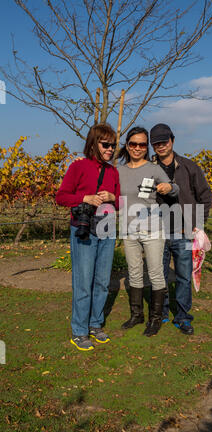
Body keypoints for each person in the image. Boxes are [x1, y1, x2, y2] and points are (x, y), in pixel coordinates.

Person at [56, 123, 120, 351]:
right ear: (94, 144)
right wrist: (85, 198)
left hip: (108, 227)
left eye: (113, 145)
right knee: (83, 281)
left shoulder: (113, 171)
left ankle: (95, 324)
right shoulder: (78, 167)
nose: (111, 149)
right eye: (106, 144)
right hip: (83, 228)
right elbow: (61, 196)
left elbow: (121, 202)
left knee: (102, 281)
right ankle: (80, 330)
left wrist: (113, 196)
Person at [150, 123, 212, 335]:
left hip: (184, 232)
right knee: (161, 274)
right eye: (156, 143)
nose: (160, 146)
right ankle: (163, 311)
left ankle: (183, 317)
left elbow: (205, 197)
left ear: (172, 140)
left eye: (164, 141)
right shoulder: (149, 169)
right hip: (158, 232)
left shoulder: (189, 167)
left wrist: (198, 224)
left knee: (184, 276)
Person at [117, 126, 179, 337]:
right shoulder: (119, 170)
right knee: (134, 272)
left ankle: (155, 318)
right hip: (129, 230)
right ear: (127, 145)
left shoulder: (153, 169)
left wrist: (168, 188)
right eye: (133, 144)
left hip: (153, 230)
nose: (137, 148)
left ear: (146, 147)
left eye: (142, 144)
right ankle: (137, 315)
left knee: (155, 273)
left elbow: (174, 187)